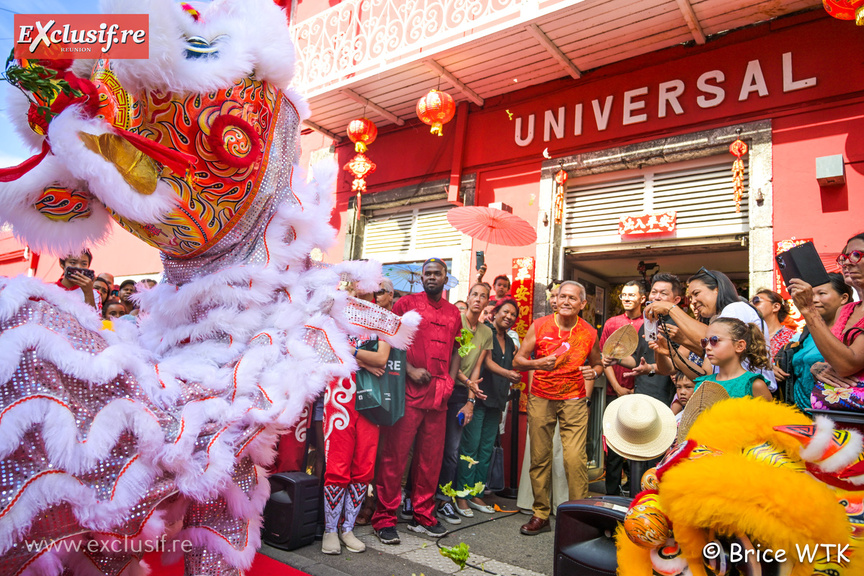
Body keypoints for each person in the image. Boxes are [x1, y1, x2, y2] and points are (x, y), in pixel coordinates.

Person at [373, 258, 462, 544]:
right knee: (394, 456)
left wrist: (450, 379)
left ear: (445, 278)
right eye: (428, 274)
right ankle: (384, 518)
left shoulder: (453, 313)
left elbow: (459, 350)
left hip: (439, 395)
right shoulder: (405, 305)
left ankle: (423, 515)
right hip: (408, 393)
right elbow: (388, 340)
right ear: (421, 278)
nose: (432, 278)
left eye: (437, 273)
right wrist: (410, 370)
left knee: (430, 461)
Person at [513, 281, 603, 536]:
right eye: (562, 296)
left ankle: (579, 517)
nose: (565, 301)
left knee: (575, 458)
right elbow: (518, 361)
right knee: (539, 458)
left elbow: (598, 365)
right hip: (541, 397)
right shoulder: (540, 325)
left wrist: (593, 371)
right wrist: (538, 363)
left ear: (582, 305)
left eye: (572, 298)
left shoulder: (589, 332)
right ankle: (541, 514)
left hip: (574, 399)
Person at [321, 287, 391, 555]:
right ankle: (330, 530)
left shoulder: (381, 318)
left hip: (370, 402)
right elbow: (326, 348)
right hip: (339, 397)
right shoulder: (333, 314)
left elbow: (382, 358)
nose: (360, 290)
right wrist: (364, 359)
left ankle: (347, 528)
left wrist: (349, 353)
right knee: (337, 466)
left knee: (363, 467)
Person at [645, 268, 776, 392]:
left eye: (696, 294)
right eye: (690, 298)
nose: (693, 302)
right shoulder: (716, 321)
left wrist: (671, 308)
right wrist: (672, 353)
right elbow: (705, 376)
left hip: (748, 395)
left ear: (717, 289)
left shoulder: (736, 308)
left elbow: (716, 340)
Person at [453, 298, 521, 517]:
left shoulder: (510, 342)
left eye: (513, 314)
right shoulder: (486, 332)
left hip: (497, 402)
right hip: (479, 398)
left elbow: (512, 364)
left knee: (485, 450)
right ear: (495, 313)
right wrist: (508, 373)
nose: (509, 317)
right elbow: (487, 364)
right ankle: (461, 495)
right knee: (470, 448)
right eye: (505, 312)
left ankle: (476, 492)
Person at [436, 283, 492, 524]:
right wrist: (469, 382)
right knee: (431, 446)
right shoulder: (455, 319)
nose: (478, 299)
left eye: (483, 296)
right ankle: (421, 496)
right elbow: (450, 359)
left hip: (463, 391)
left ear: (488, 302)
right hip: (443, 383)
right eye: (475, 295)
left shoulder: (486, 332)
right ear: (467, 298)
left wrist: (471, 398)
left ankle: (443, 499)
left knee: (453, 449)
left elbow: (477, 366)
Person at [789, 233, 864, 389]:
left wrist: (809, 310)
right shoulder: (845, 310)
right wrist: (818, 367)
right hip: (831, 409)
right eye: (844, 257)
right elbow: (832, 360)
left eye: (856, 255)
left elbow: (846, 365)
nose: (847, 263)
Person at [776, 274, 852, 411]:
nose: (814, 300)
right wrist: (776, 368)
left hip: (832, 414)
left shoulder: (851, 332)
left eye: (822, 293)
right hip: (798, 412)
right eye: (811, 294)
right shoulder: (809, 332)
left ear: (844, 298)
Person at [598, 281, 645, 496]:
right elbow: (604, 358)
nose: (626, 298)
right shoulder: (611, 323)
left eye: (631, 295)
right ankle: (612, 492)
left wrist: (636, 390)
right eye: (624, 295)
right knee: (614, 444)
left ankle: (636, 489)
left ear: (642, 298)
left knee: (639, 442)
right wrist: (616, 387)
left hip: (640, 394)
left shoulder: (647, 324)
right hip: (613, 392)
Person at [691, 317, 773, 401]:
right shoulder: (703, 385)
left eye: (714, 340)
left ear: (739, 346)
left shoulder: (754, 385)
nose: (707, 347)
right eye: (705, 341)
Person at [751, 289, 796, 358]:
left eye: (756, 300)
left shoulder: (794, 338)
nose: (751, 305)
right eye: (750, 302)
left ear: (776, 307)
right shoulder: (749, 337)